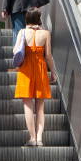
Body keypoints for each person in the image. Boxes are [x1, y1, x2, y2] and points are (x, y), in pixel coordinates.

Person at [14, 8, 57, 147]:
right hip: (40, 69)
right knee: (40, 107)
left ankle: (32, 138)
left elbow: (15, 51)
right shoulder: (45, 34)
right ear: (39, 18)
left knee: (28, 105)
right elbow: (48, 56)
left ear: (27, 18)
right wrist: (53, 73)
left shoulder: (22, 32)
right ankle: (39, 138)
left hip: (26, 70)